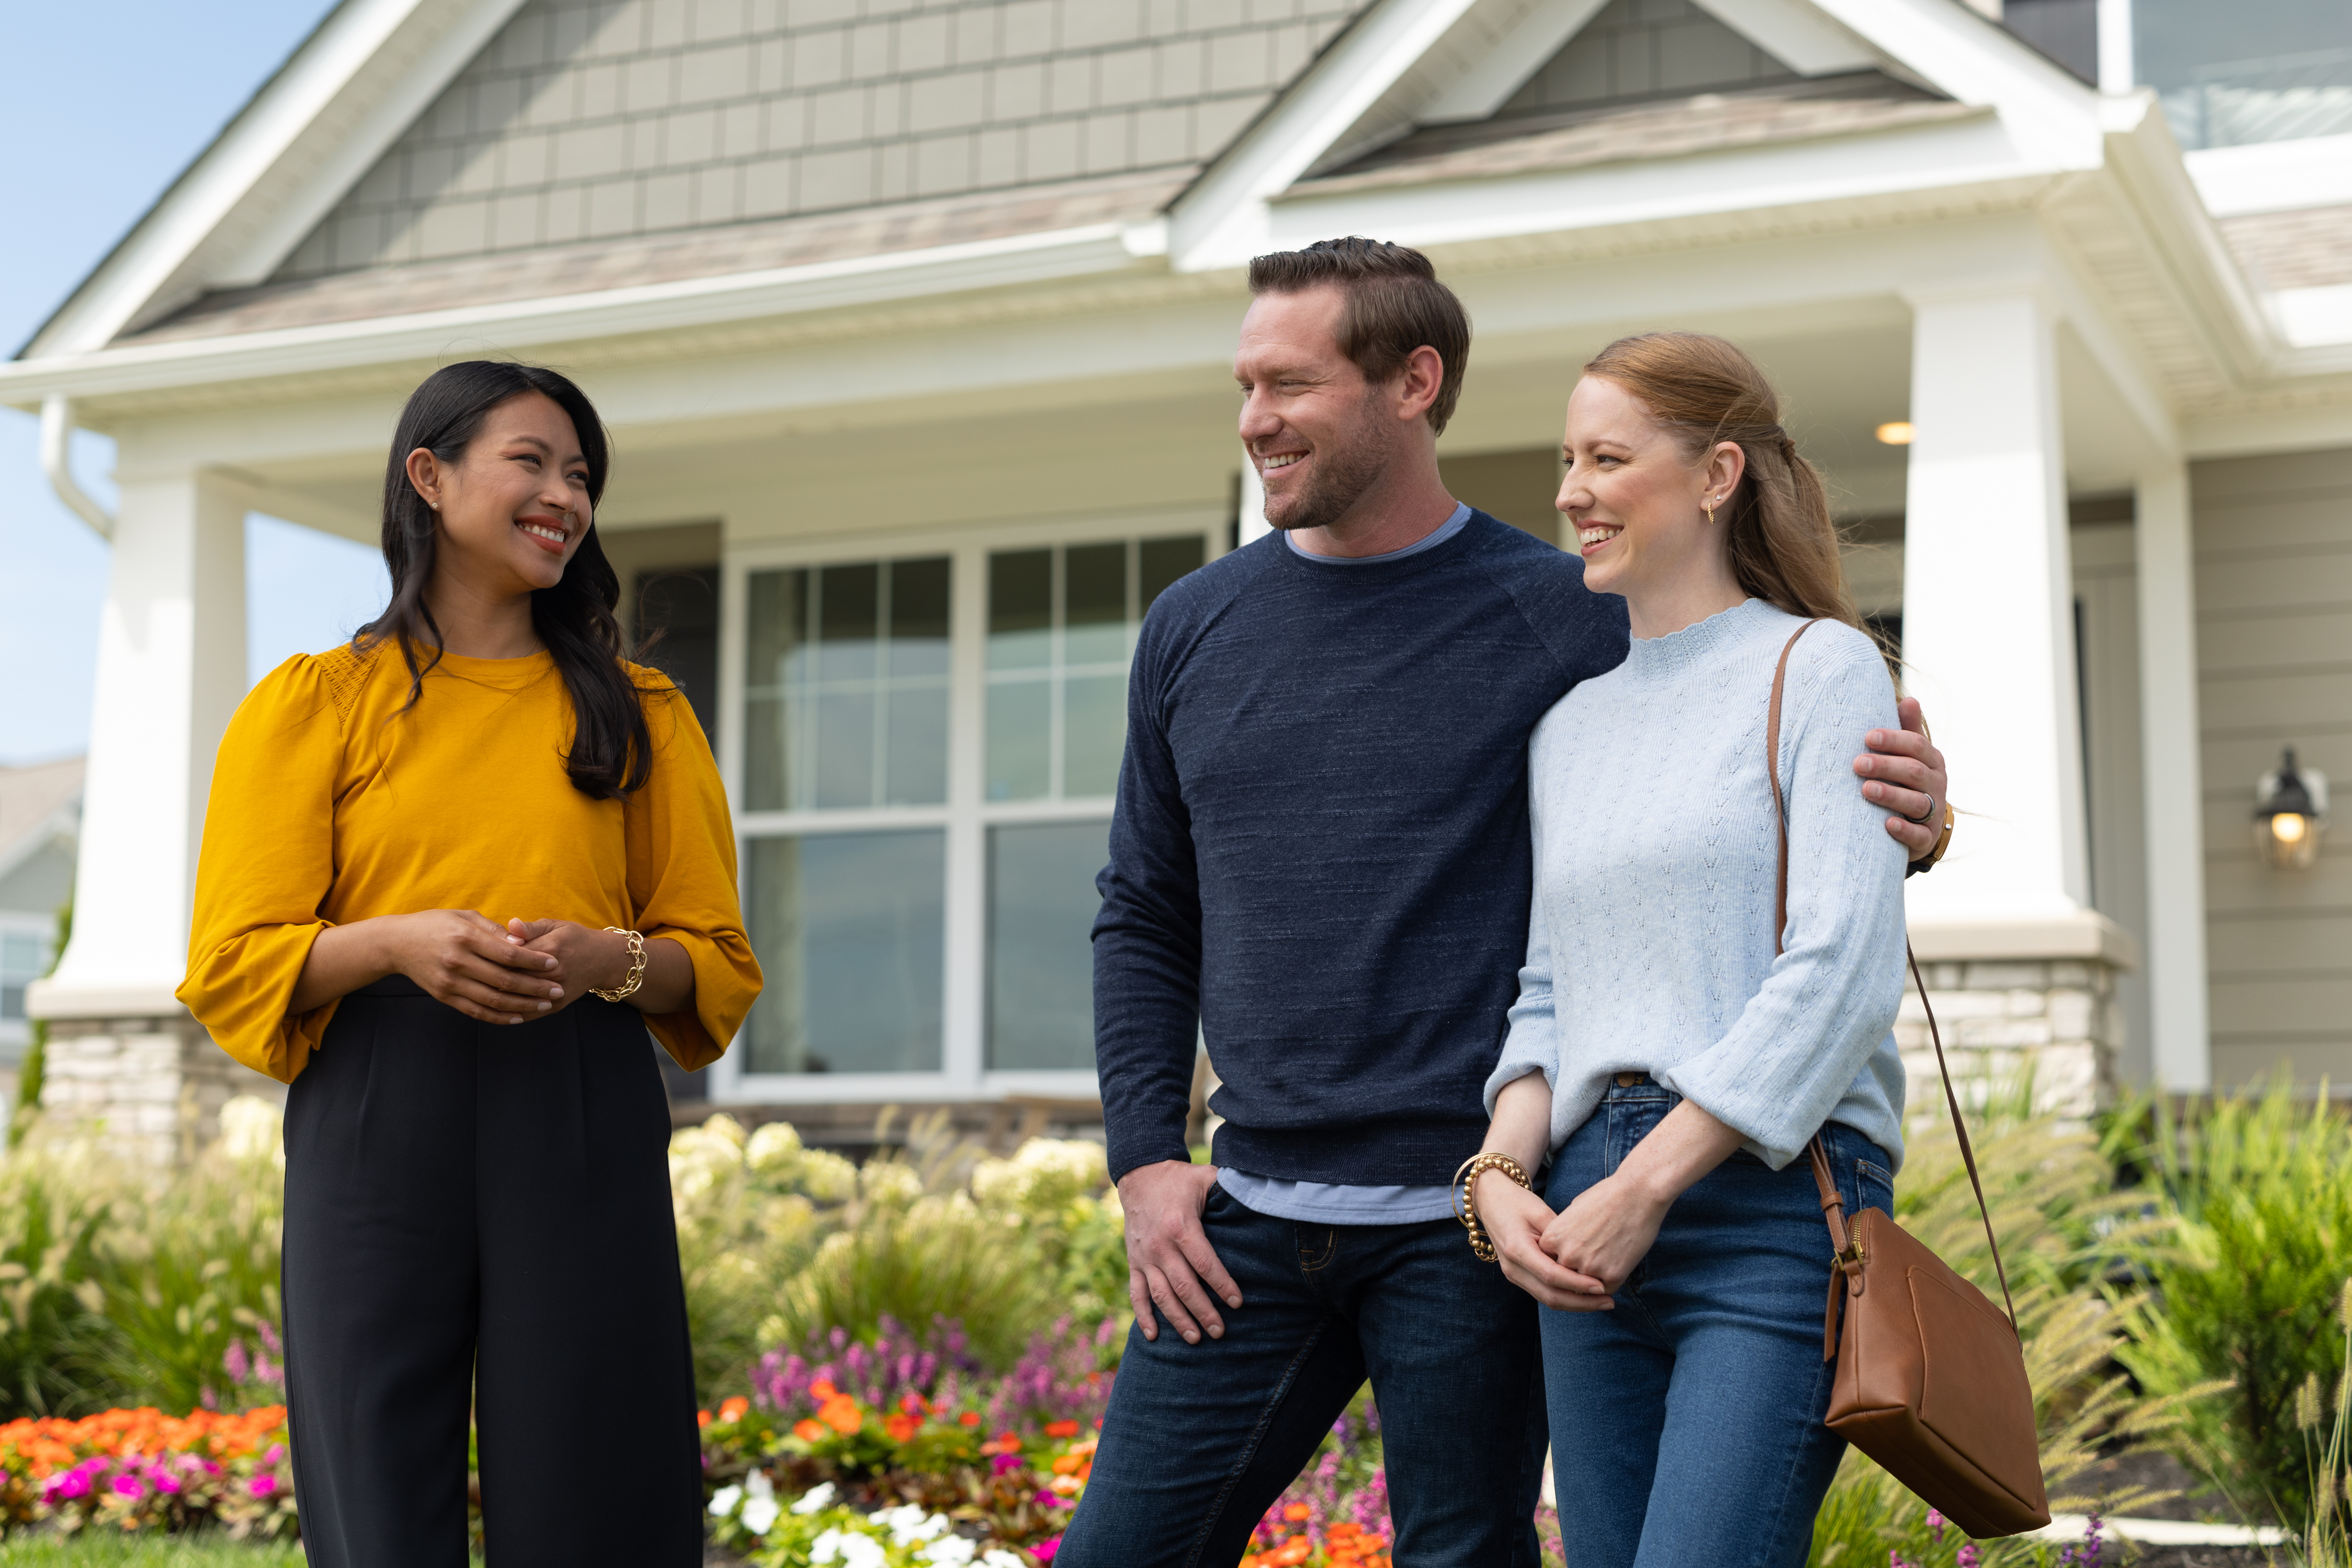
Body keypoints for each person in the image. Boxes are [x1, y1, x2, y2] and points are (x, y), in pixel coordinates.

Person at [1058, 241, 1951, 1567]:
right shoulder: (1196, 627)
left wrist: (1911, 820)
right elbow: (1143, 905)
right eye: (1245, 384)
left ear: (1412, 382)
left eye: (1290, 383)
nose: (1254, 418)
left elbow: (1738, 769)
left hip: (1483, 1223)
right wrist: (1145, 1156)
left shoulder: (1575, 615)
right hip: (1290, 1201)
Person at [177, 361, 762, 1567]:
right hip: (381, 1098)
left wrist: (613, 956)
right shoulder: (314, 704)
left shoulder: (640, 712)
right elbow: (235, 957)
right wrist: (395, 939)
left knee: (598, 1471)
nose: (564, 495)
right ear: (430, 478)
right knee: (376, 1469)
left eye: (582, 475)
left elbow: (713, 962)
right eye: (533, 461)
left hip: (581, 1090)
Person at [1470, 331, 1912, 1567]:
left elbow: (1839, 970)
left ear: (1715, 476)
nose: (1570, 490)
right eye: (1567, 458)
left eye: (1607, 457)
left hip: (1766, 1206)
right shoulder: (1567, 728)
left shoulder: (1818, 669)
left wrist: (1646, 1185)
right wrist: (1501, 1175)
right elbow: (1551, 992)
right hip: (1579, 1221)